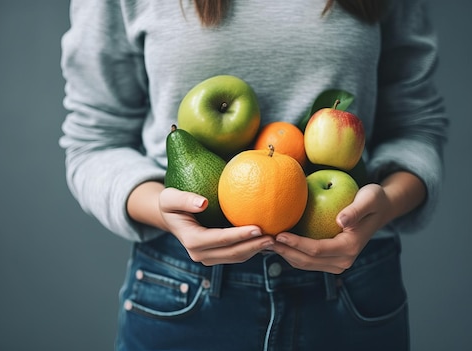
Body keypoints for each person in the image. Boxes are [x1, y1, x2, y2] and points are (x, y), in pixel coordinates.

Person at [60, 0, 448, 349]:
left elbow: (417, 125)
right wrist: (162, 209)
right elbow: (93, 141)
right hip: (185, 284)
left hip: (350, 283)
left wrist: (387, 203)